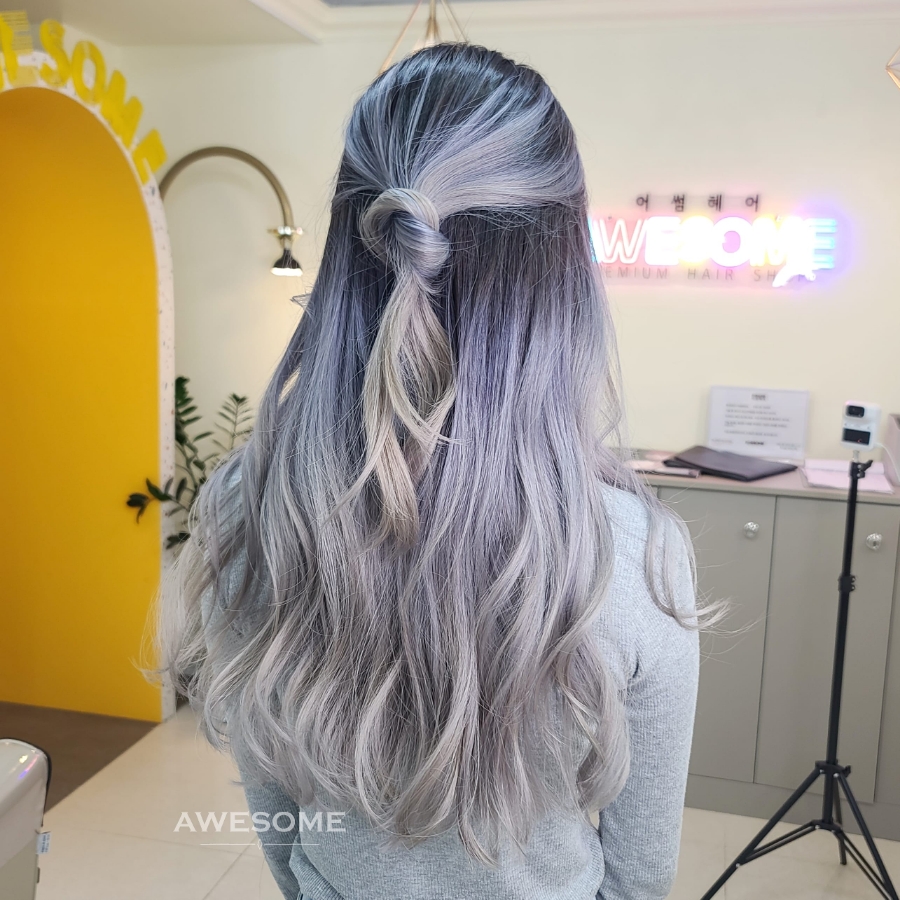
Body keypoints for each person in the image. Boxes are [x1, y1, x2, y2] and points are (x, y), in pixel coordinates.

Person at [155, 42, 702, 900]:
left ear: (351, 242)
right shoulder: (633, 550)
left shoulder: (250, 505)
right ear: (562, 275)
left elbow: (281, 822)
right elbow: (642, 876)